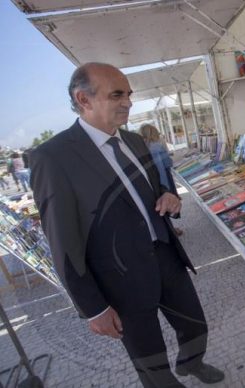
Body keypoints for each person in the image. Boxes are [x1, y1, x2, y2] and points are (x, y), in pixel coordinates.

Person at [30, 63, 224, 387]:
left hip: (165, 256)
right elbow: (63, 243)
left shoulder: (134, 142)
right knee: (148, 354)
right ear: (84, 99)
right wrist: (93, 309)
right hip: (118, 278)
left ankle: (192, 364)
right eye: (117, 94)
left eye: (129, 94)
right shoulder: (53, 157)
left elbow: (155, 188)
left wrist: (169, 199)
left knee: (195, 325)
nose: (128, 102)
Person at [139, 124, 183, 236]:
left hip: (149, 183)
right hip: (163, 182)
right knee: (166, 204)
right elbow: (168, 163)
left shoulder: (140, 149)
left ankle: (163, 231)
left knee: (156, 206)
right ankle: (171, 230)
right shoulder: (158, 146)